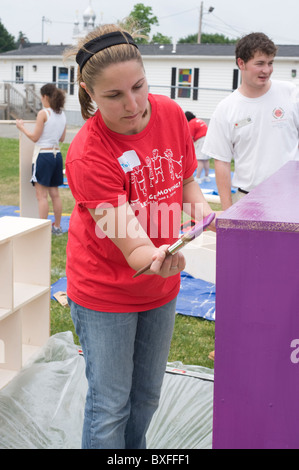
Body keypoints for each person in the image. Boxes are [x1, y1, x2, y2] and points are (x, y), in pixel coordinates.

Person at [64, 23, 216, 449]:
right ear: (90, 94)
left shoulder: (168, 113)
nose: (132, 105)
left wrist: (204, 216)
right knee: (111, 404)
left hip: (161, 285)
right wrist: (154, 258)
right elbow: (132, 246)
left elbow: (185, 180)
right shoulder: (88, 155)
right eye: (113, 96)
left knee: (146, 396)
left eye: (139, 87)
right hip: (105, 292)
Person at [202, 32, 299, 210]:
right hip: (249, 200)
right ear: (241, 63)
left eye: (270, 63)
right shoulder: (226, 109)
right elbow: (222, 162)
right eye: (260, 63)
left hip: (291, 197)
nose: (267, 70)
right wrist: (227, 210)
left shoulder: (290, 93)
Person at [16, 84, 66, 234]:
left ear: (45, 97)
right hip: (56, 156)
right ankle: (57, 227)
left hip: (43, 156)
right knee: (55, 194)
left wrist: (21, 127)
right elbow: (62, 138)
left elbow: (35, 137)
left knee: (41, 195)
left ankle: (43, 230)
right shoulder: (61, 114)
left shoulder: (43, 113)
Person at [185, 111, 209, 183]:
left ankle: (198, 177)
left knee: (200, 159)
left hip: (201, 140)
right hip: (208, 139)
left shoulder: (191, 123)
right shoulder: (199, 120)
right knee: (205, 159)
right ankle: (206, 176)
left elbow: (190, 137)